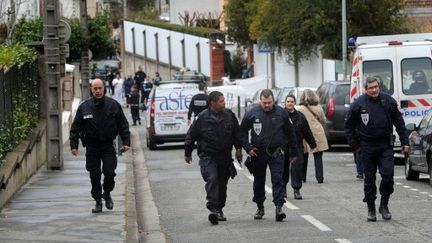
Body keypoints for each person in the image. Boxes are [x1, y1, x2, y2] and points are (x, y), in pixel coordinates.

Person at [345, 76, 409, 222]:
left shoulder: (388, 101)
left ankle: (384, 205)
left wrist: (405, 141)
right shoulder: (358, 104)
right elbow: (349, 127)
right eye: (370, 88)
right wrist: (355, 146)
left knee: (388, 176)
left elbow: (399, 122)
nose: (374, 90)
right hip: (366, 147)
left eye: (376, 87)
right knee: (369, 179)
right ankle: (371, 208)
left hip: (385, 145)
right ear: (365, 89)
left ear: (379, 87)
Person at [69, 78, 130, 213]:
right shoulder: (84, 107)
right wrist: (74, 145)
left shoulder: (113, 105)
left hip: (108, 146)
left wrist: (126, 142)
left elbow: (123, 125)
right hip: (92, 147)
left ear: (104, 88)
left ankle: (107, 192)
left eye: (99, 88)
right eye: (95, 88)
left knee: (109, 172)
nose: (97, 91)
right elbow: (75, 128)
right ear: (91, 89)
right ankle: (98, 201)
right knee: (94, 174)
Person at [184, 91, 243, 225]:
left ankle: (219, 208)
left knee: (222, 184)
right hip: (208, 156)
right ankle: (213, 209)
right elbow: (190, 135)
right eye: (221, 101)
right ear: (213, 103)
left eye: (224, 100)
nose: (224, 103)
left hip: (224, 156)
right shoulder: (202, 118)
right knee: (212, 178)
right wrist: (187, 152)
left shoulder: (229, 115)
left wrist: (239, 149)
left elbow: (236, 134)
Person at [240, 89, 298, 222]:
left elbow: (290, 133)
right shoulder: (252, 113)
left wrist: (294, 152)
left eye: (269, 102)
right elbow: (241, 132)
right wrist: (247, 148)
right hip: (257, 153)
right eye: (264, 102)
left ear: (273, 101)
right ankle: (260, 207)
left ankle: (279, 208)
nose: (267, 105)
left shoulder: (281, 113)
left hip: (276, 152)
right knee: (259, 182)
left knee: (278, 179)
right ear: (260, 101)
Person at [283, 94, 316, 200]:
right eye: (288, 101)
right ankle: (283, 189)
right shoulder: (280, 115)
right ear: (285, 103)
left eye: (291, 101)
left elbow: (306, 131)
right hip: (283, 147)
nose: (289, 103)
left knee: (296, 168)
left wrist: (312, 144)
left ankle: (296, 190)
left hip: (297, 147)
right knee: (283, 169)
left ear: (294, 103)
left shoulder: (300, 116)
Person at [297, 89, 328, 184]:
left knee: (303, 155)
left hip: (304, 133)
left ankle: (303, 177)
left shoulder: (299, 109)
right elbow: (324, 121)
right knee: (318, 156)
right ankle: (320, 178)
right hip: (317, 132)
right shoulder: (318, 107)